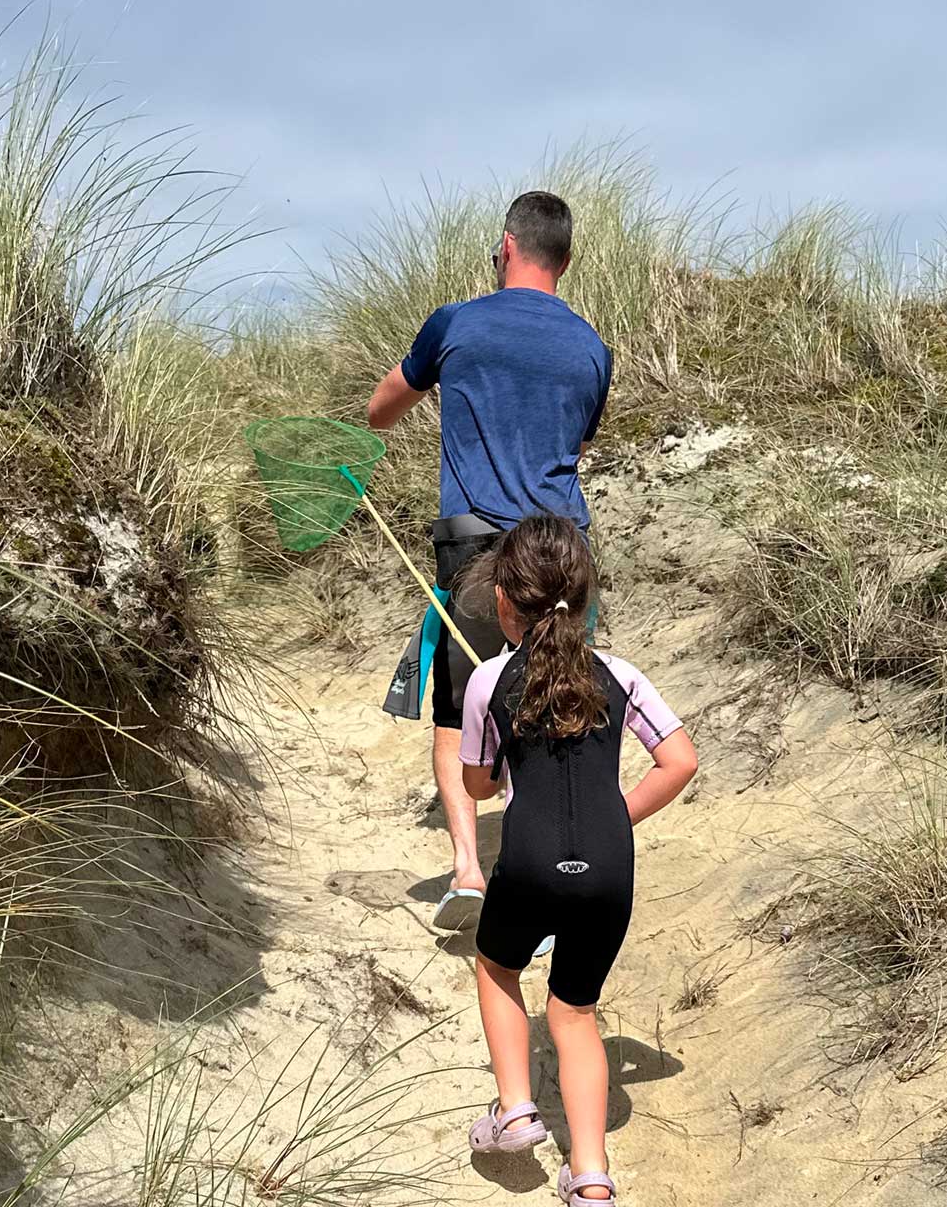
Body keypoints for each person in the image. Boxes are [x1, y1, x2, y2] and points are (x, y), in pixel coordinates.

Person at [367, 190, 612, 932]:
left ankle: (470, 871)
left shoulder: (457, 323)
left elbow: (382, 409)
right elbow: (579, 439)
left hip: (478, 548)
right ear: (564, 260)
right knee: (550, 709)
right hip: (566, 548)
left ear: (506, 247)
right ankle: (547, 883)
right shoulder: (592, 348)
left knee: (458, 711)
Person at [457, 515, 697, 1205]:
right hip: (608, 867)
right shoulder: (620, 675)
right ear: (587, 600)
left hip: (528, 859)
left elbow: (476, 785)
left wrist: (498, 751)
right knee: (574, 1012)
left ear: (504, 598)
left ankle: (515, 1108)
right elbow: (679, 760)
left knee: (499, 966)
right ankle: (591, 1176)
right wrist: (613, 817)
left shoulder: (490, 682)